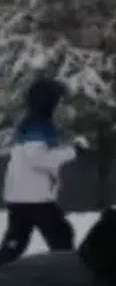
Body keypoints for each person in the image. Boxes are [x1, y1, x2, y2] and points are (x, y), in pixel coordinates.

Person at [0, 78, 84, 265]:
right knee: (61, 237)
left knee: (16, 241)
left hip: (20, 194)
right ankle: (69, 275)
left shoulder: (29, 123)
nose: (60, 104)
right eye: (58, 99)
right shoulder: (38, 125)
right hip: (35, 196)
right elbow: (38, 158)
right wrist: (71, 152)